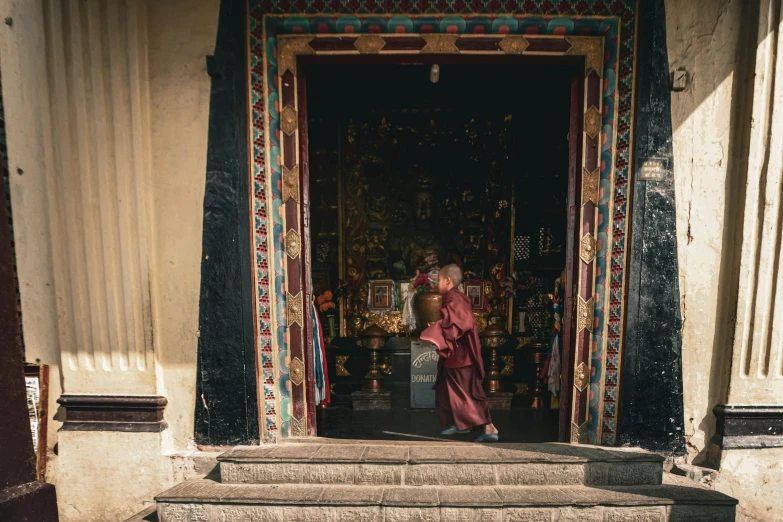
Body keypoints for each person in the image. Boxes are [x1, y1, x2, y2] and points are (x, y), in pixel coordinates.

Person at [420, 264, 499, 442]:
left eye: (439, 280)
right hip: (458, 356)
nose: (437, 284)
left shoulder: (451, 296)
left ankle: (488, 427)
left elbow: (463, 322)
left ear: (447, 280)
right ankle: (458, 423)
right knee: (446, 390)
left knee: (465, 394)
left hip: (460, 357)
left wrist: (437, 330)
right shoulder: (458, 297)